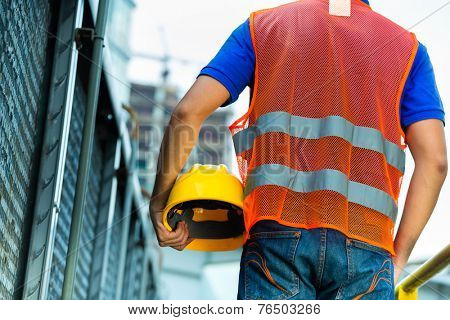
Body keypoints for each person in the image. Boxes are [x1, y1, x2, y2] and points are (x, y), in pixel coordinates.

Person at [149, 0, 447, 300]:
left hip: (276, 236)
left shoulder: (262, 27)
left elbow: (188, 113)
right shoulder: (408, 52)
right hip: (367, 246)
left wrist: (160, 203)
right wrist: (399, 256)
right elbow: (435, 161)